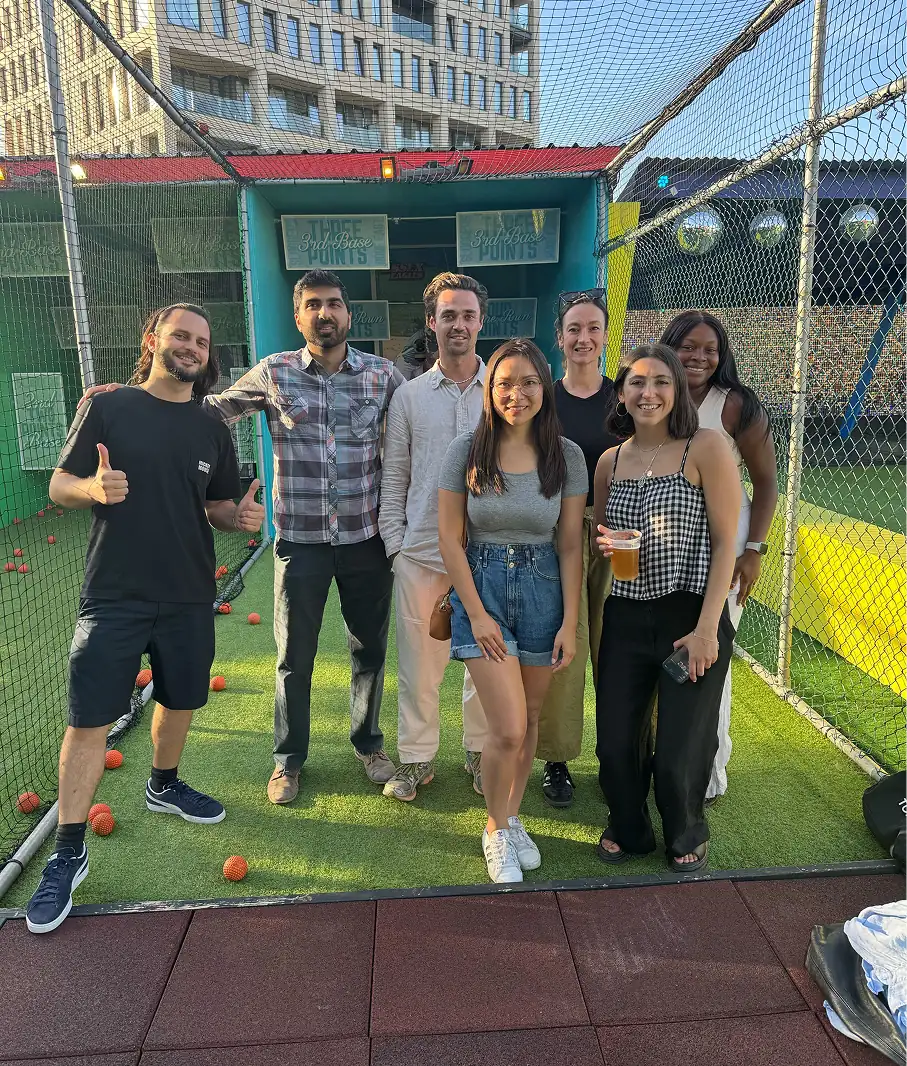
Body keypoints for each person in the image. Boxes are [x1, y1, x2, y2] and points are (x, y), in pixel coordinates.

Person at [80, 270, 406, 804]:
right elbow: (207, 408)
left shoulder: (383, 376)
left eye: (335, 304)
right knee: (293, 656)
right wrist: (134, 397)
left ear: (348, 315)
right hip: (299, 542)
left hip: (365, 539)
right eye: (314, 305)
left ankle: (369, 745)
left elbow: (418, 425)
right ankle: (288, 760)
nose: (326, 313)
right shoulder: (274, 373)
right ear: (299, 316)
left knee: (368, 649)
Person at [26, 304, 265, 934]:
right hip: (114, 594)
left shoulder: (213, 425)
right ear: (153, 339)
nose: (191, 347)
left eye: (201, 341)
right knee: (88, 719)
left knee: (180, 699)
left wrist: (235, 519)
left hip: (189, 593)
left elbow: (216, 505)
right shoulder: (108, 408)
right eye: (181, 335)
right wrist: (91, 490)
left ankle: (164, 783)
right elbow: (58, 484)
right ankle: (68, 850)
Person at [438, 339, 586, 883]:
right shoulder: (466, 451)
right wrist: (475, 613)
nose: (516, 393)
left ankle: (513, 814)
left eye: (527, 382)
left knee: (530, 726)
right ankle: (494, 828)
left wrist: (570, 621)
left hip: (546, 589)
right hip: (484, 590)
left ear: (544, 388)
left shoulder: (566, 455)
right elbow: (450, 539)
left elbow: (570, 544)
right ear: (489, 390)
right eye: (504, 383)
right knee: (507, 726)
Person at [593, 343, 740, 874]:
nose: (647, 392)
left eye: (660, 381)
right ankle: (628, 828)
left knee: (681, 747)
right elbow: (600, 538)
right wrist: (606, 545)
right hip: (627, 612)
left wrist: (707, 629)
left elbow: (727, 541)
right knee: (614, 740)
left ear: (676, 389)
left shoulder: (704, 447)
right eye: (636, 382)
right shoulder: (611, 460)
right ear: (623, 392)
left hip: (690, 613)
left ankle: (685, 832)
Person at [379, 273, 490, 802]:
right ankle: (417, 761)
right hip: (420, 554)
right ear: (432, 323)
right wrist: (395, 546)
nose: (459, 325)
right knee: (418, 669)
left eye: (468, 315)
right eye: (449, 315)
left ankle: (479, 755)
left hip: (488, 554)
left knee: (484, 666)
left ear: (481, 321)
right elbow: (394, 475)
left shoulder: (505, 391)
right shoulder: (409, 398)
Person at [659, 312, 777, 802]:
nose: (699, 358)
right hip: (667, 545)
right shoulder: (653, 393)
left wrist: (754, 550)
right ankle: (663, 759)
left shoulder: (733, 406)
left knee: (710, 654)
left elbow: (767, 481)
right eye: (689, 346)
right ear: (670, 347)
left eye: (710, 349)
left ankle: (709, 769)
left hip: (725, 546)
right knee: (664, 653)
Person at [536, 289, 621, 808]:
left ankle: (620, 756)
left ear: (605, 334)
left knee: (616, 650)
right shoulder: (545, 398)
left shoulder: (627, 396)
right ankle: (558, 760)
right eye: (574, 329)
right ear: (560, 337)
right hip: (558, 534)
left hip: (616, 537)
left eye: (593, 328)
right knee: (562, 650)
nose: (583, 338)